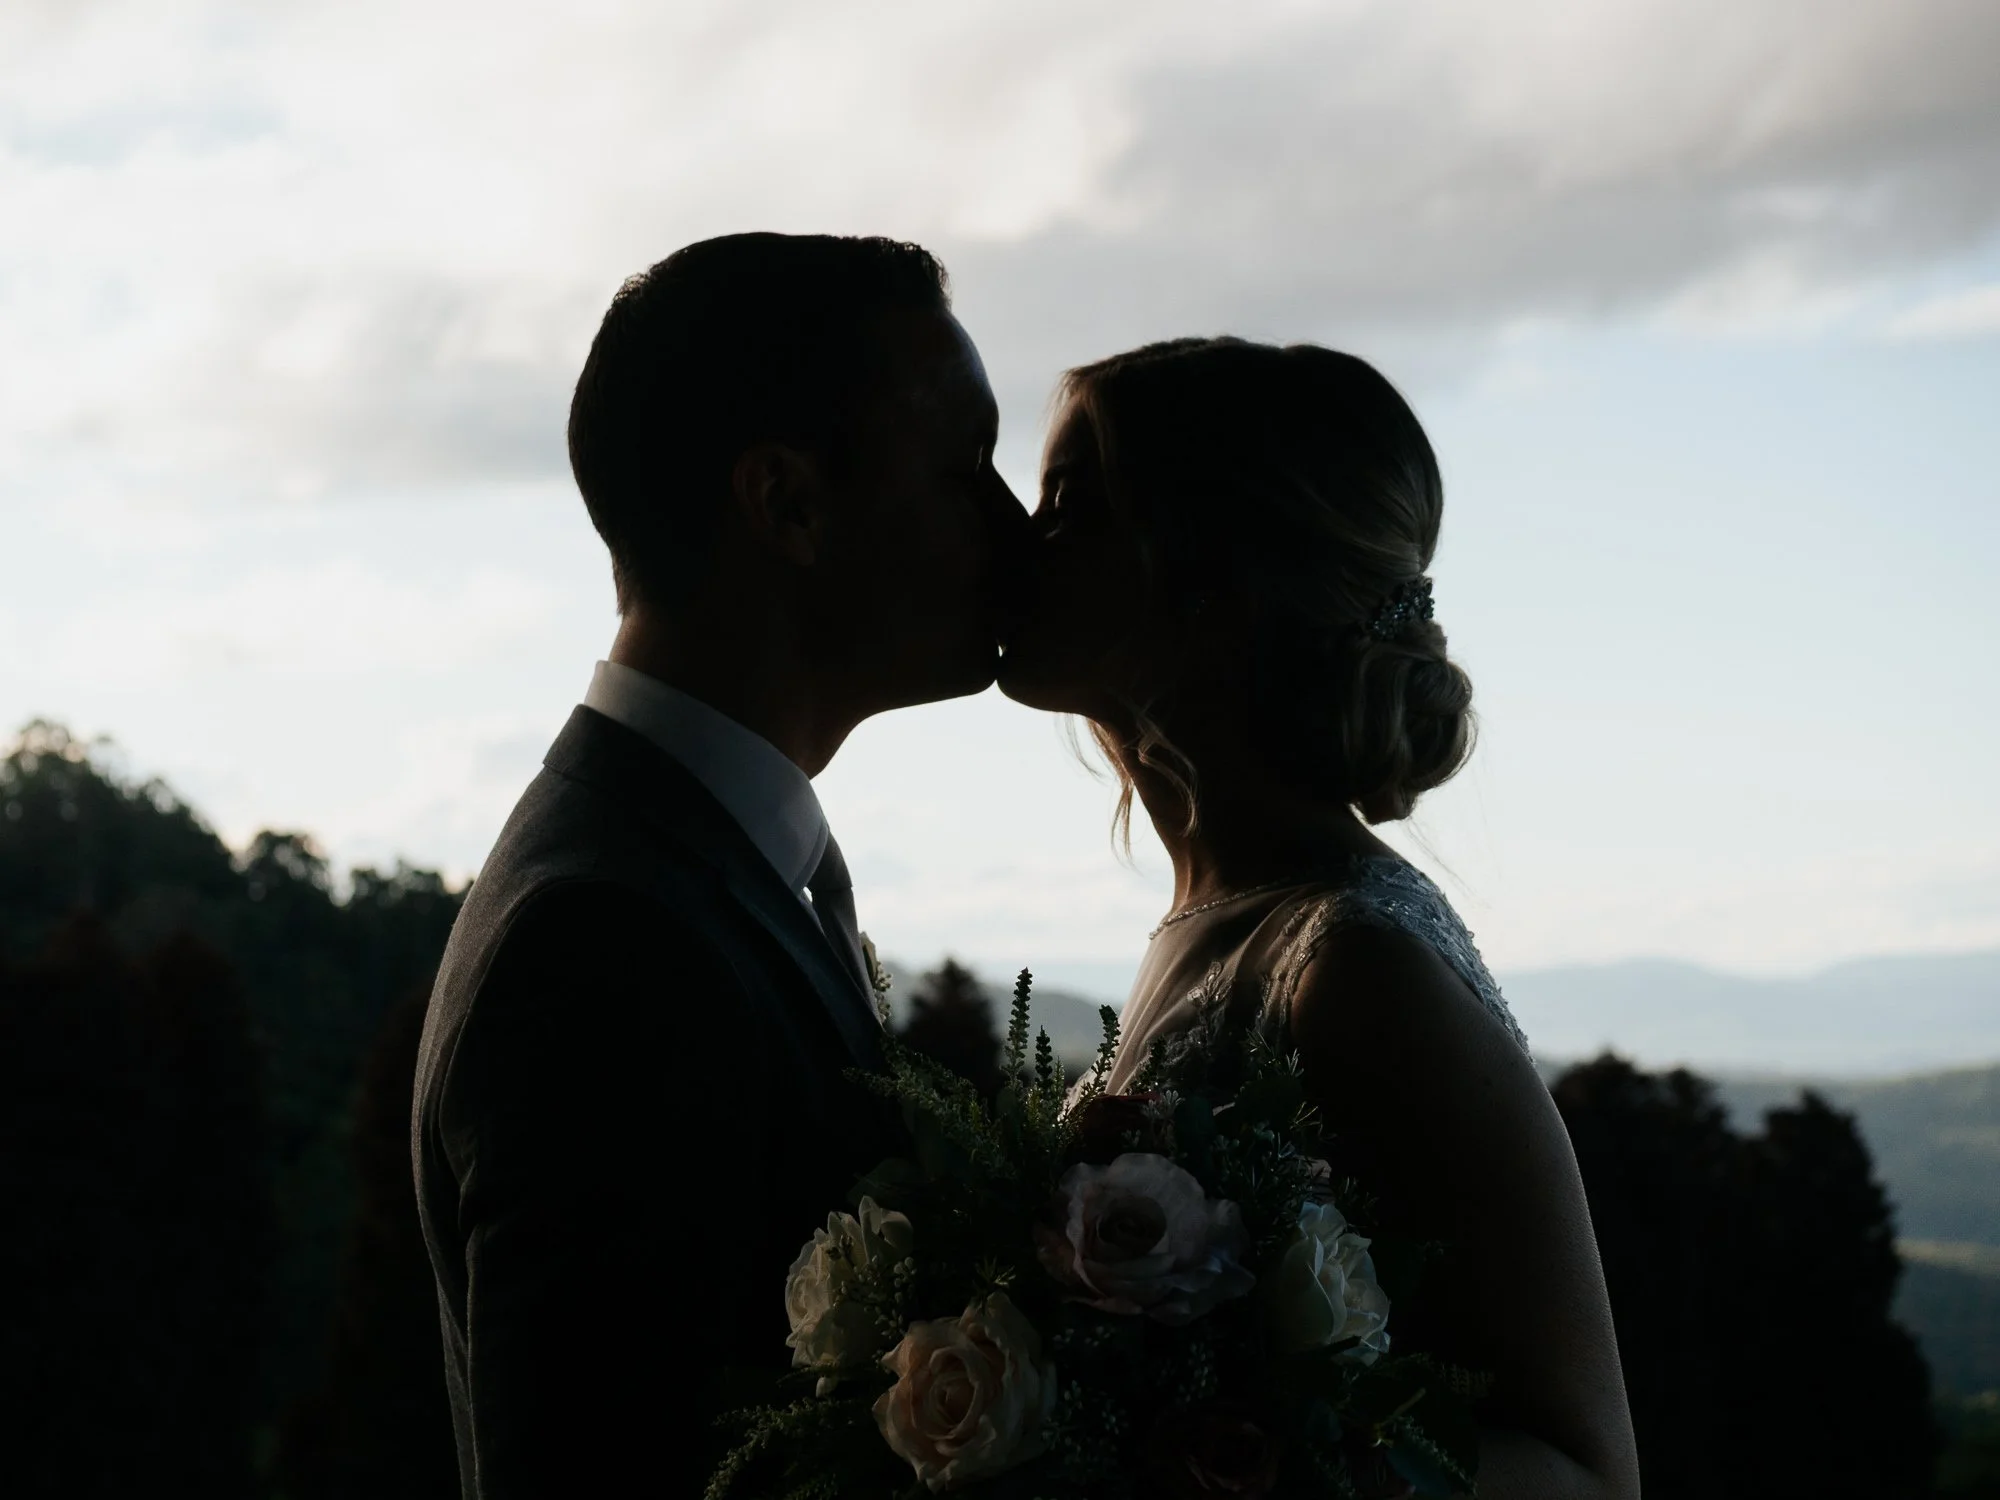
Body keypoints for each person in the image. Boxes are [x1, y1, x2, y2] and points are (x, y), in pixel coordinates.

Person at [411, 233, 1026, 1499]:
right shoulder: (598, 941)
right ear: (787, 503)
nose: (1011, 523)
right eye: (965, 466)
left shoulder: (695, 863)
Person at [998, 337, 1642, 1500]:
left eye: (1073, 505)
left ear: (1220, 583)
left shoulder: (1351, 967)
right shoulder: (1212, 918)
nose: (1016, 536)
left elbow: (1584, 1470)